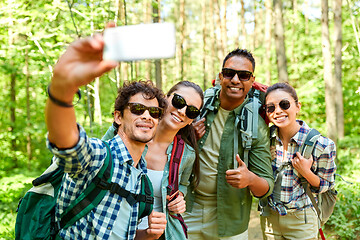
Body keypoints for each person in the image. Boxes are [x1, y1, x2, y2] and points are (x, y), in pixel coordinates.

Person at [45, 32, 167, 240]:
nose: (147, 115)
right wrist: (62, 88)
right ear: (118, 117)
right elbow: (68, 143)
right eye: (137, 109)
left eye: (154, 112)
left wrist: (147, 234)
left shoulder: (142, 179)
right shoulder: (100, 156)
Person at [184, 48, 274, 240]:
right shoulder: (198, 107)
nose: (235, 80)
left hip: (229, 218)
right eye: (229, 73)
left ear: (252, 80)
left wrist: (250, 179)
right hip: (187, 208)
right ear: (220, 76)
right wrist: (187, 135)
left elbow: (266, 186)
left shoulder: (255, 126)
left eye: (243, 75)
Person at [102, 81, 204, 240]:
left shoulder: (186, 154)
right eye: (179, 101)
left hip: (162, 234)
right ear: (165, 99)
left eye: (191, 111)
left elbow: (183, 184)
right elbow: (100, 163)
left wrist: (180, 198)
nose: (182, 111)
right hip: (113, 229)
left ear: (192, 119)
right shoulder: (126, 132)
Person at [260, 82, 336, 239]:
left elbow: (326, 185)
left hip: (302, 220)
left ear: (297, 106)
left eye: (284, 104)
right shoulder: (264, 140)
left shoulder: (321, 144)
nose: (278, 111)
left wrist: (306, 172)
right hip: (269, 219)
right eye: (271, 108)